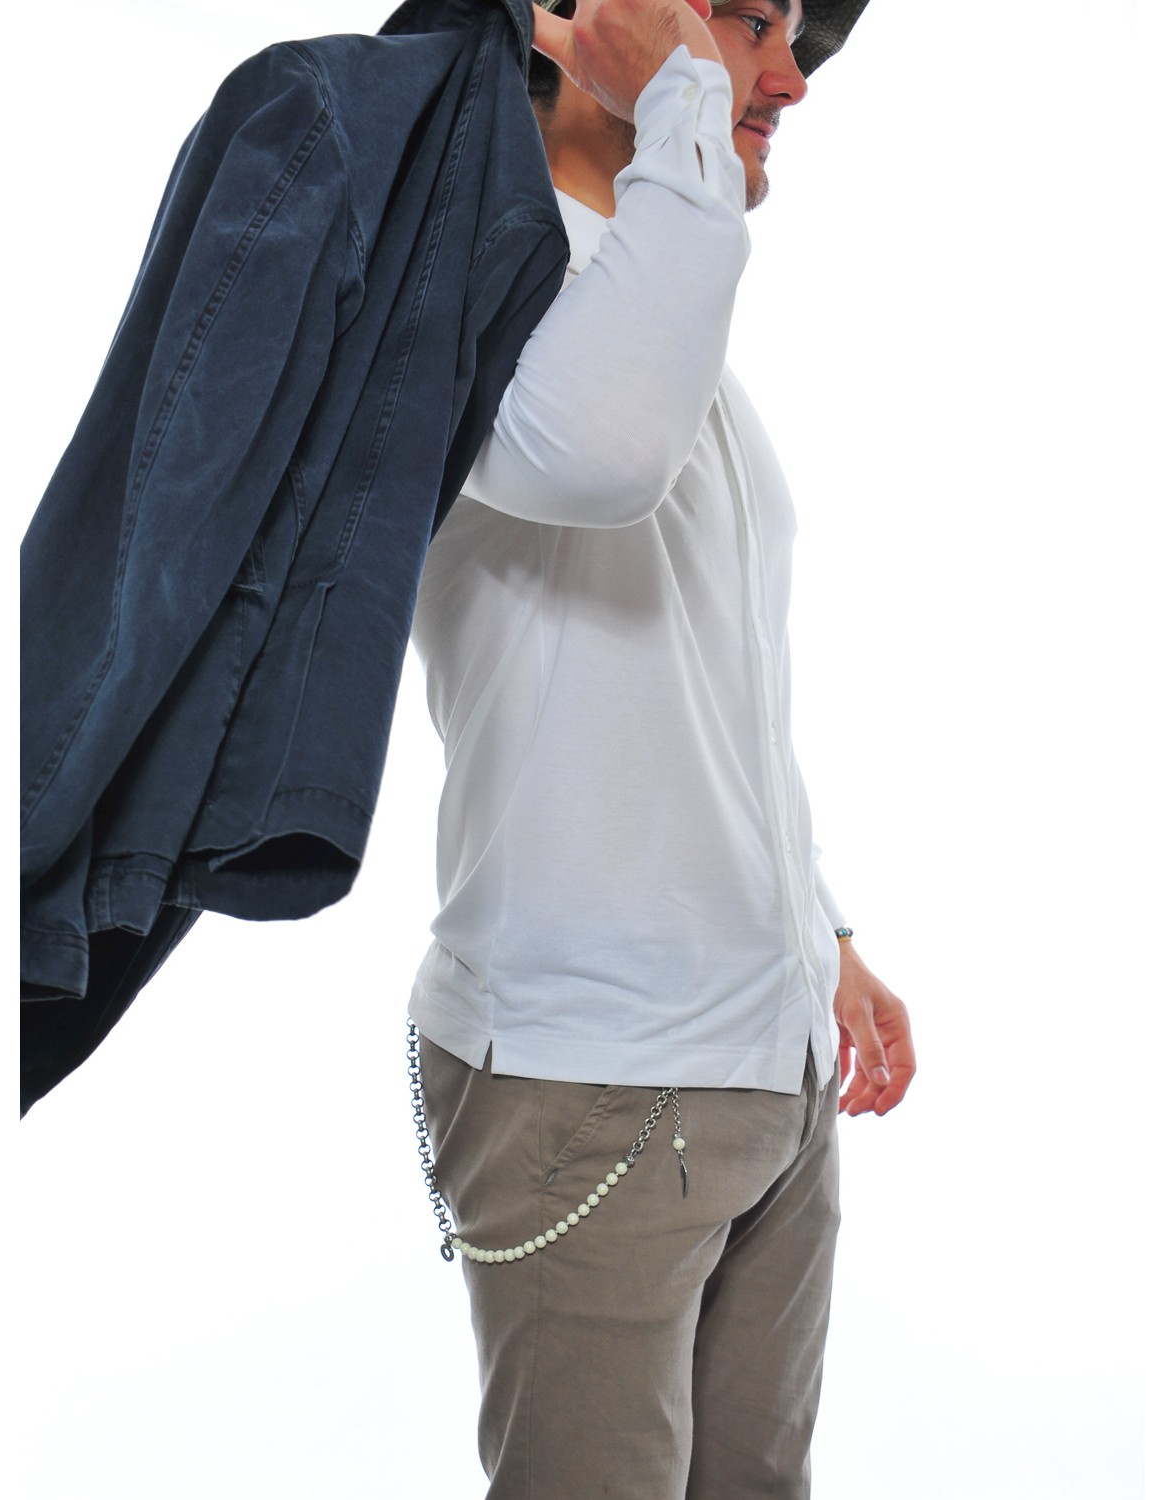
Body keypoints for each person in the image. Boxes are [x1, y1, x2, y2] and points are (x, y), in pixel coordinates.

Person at [407, 0, 916, 1495]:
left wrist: (815, 927)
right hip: (590, 1079)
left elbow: (712, 675)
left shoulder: (658, 296)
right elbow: (605, 459)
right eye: (749, 21)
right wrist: (683, 115)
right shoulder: (470, 284)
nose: (788, 77)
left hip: (766, 1060)